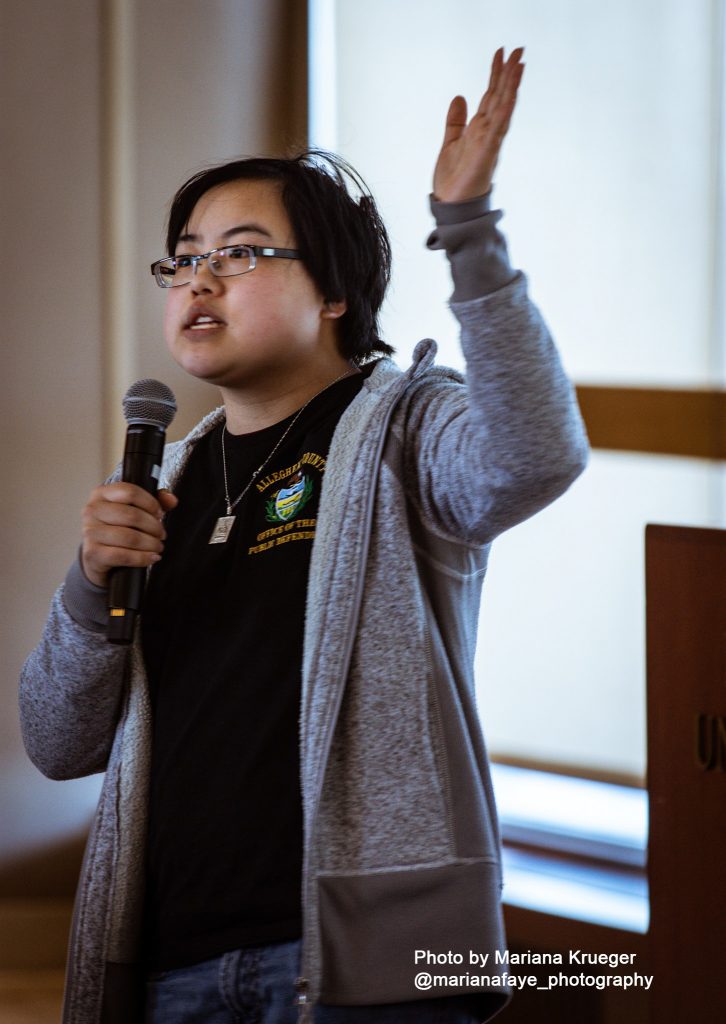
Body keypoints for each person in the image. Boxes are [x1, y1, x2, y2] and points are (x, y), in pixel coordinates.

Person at [20, 47, 588, 1024]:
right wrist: (88, 584)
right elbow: (59, 742)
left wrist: (467, 230)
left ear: (334, 292)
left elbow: (536, 454)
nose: (199, 277)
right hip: (170, 967)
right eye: (184, 257)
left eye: (238, 252)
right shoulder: (168, 483)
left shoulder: (406, 425)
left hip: (365, 966)